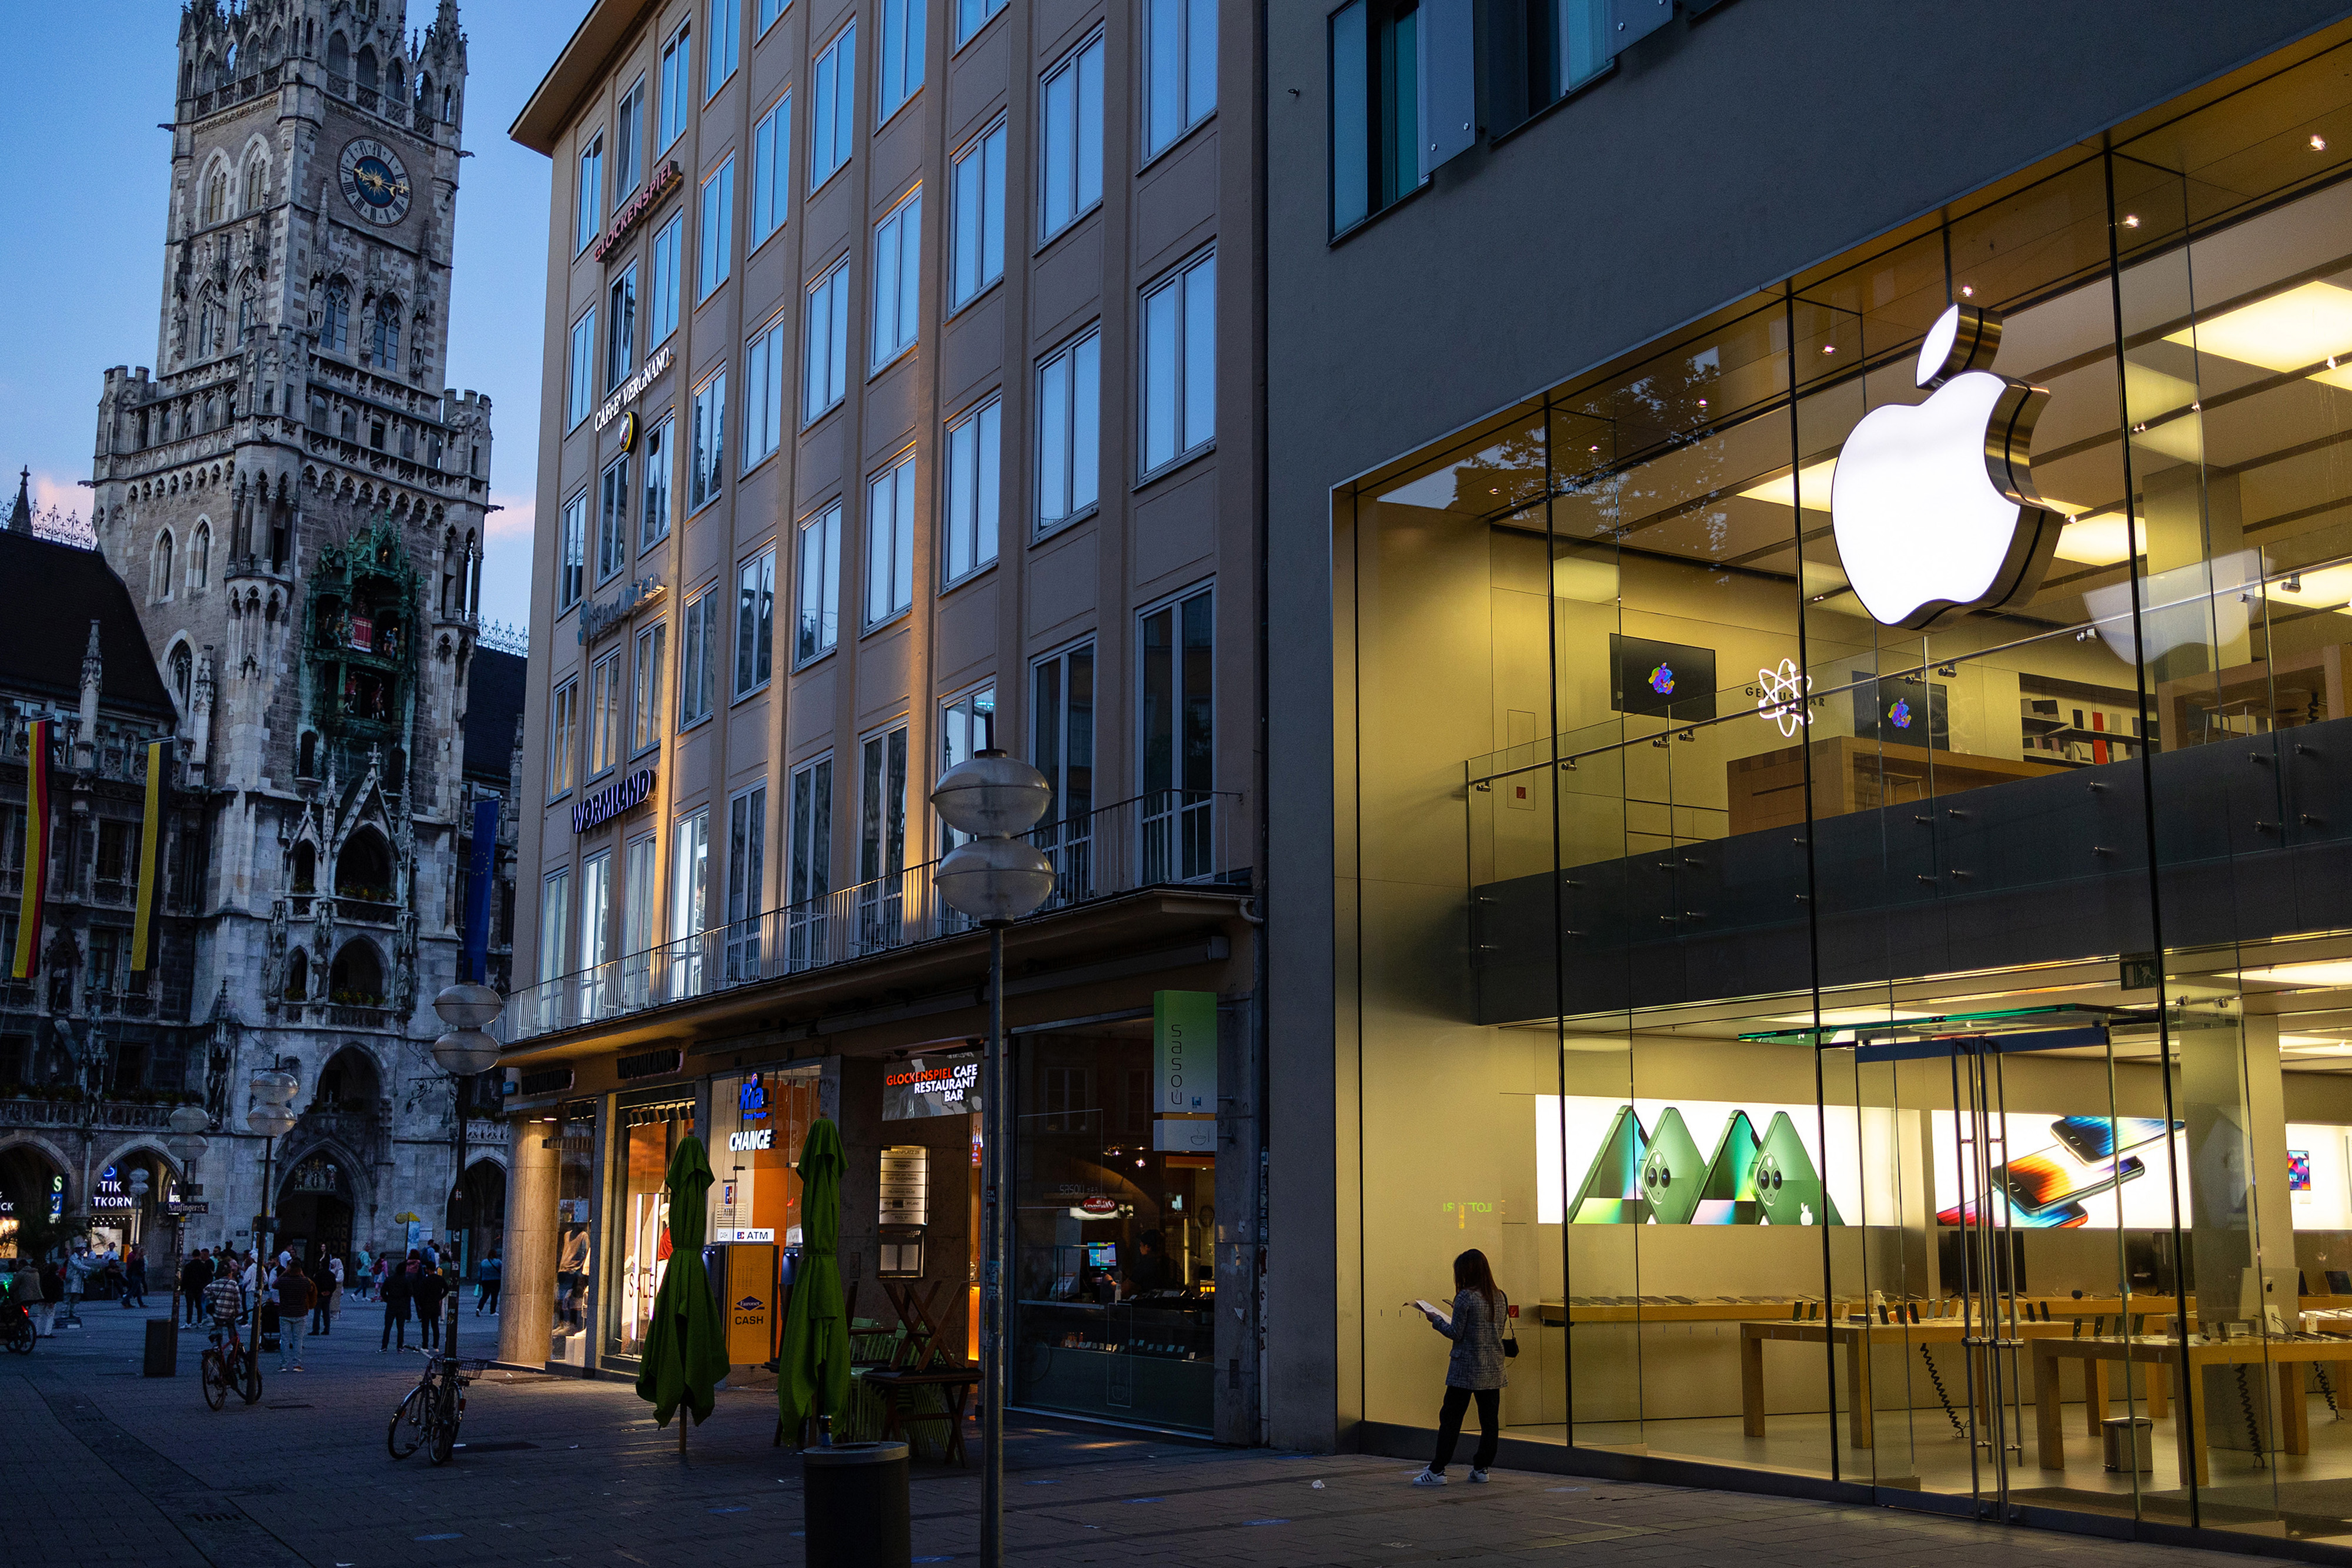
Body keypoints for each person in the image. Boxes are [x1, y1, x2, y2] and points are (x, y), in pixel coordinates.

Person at [1408, 1249, 1511, 1487]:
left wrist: (1437, 1320)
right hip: (1493, 1367)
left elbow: (1456, 1333)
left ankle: (1437, 1470)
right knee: (1489, 1421)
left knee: (1451, 1420)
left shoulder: (1466, 1297)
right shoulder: (1499, 1296)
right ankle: (1481, 1468)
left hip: (1465, 1369)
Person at [273, 1262, 313, 1372]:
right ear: (300, 1271)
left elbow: (274, 1284)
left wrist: (283, 1274)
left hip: (285, 1313)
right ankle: (297, 1364)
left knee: (285, 1340)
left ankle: (283, 1365)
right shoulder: (304, 1282)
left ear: (289, 1271)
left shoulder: (283, 1281)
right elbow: (311, 1289)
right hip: (300, 1313)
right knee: (298, 1340)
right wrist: (303, 1275)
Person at [410, 1255, 447, 1350]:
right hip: (435, 1304)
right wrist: (440, 1297)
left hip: (426, 1305)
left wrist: (420, 1305)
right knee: (435, 1326)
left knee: (425, 1327)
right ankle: (436, 1346)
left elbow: (420, 1294)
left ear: (428, 1270)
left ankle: (425, 1346)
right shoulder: (440, 1279)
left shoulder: (425, 1280)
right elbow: (446, 1289)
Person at [380, 1254, 413, 1352]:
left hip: (391, 1304)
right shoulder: (406, 1280)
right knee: (401, 1327)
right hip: (402, 1305)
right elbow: (410, 1293)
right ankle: (399, 1346)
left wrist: (388, 1299)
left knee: (388, 1327)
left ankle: (384, 1346)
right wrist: (405, 1301)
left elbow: (383, 1291)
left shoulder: (390, 1279)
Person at [37, 1258, 64, 1338]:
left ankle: (38, 1332)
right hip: (51, 1300)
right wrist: (53, 1301)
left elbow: (41, 1288)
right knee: (50, 1316)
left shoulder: (44, 1277)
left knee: (40, 1315)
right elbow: (56, 1291)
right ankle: (47, 1333)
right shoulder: (56, 1279)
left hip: (42, 1299)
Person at [476, 1249, 502, 1316]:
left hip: (485, 1281)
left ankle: (479, 1308)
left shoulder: (484, 1262)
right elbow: (502, 1271)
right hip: (496, 1281)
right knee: (494, 1297)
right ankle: (493, 1311)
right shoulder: (498, 1262)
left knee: (485, 1296)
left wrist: (480, 1281)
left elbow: (480, 1273)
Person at [122, 1245, 148, 1309]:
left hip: (136, 1275)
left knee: (138, 1291)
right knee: (133, 1290)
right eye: (143, 1252)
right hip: (136, 1276)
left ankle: (141, 1304)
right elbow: (134, 1268)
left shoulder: (138, 1259)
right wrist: (141, 1272)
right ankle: (125, 1301)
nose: (145, 1253)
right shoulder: (137, 1259)